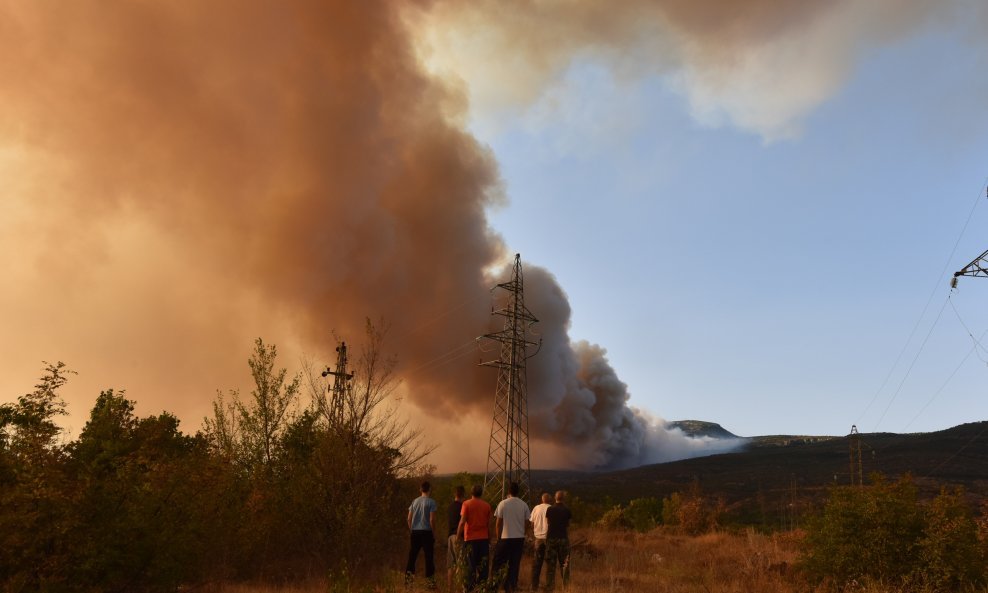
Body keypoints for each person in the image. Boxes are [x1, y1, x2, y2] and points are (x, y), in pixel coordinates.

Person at [491, 482, 531, 592]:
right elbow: (527, 521)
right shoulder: (523, 504)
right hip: (518, 539)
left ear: (508, 491)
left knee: (498, 563)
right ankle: (511, 586)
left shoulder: (503, 504)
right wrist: (523, 532)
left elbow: (498, 523)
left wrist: (498, 537)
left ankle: (495, 586)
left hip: (505, 538)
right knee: (514, 564)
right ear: (518, 492)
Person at [457, 484, 492, 591]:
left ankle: (469, 589)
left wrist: (458, 536)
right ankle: (482, 588)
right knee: (483, 567)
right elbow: (488, 524)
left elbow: (462, 522)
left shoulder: (466, 504)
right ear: (481, 493)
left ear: (471, 493)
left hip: (470, 539)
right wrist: (489, 538)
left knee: (470, 567)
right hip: (483, 539)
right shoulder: (487, 505)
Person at [406, 480, 438, 588]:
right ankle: (430, 584)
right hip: (426, 532)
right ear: (429, 489)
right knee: (429, 558)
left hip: (415, 532)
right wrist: (434, 533)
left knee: (412, 557)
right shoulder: (431, 502)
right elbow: (432, 519)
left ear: (420, 489)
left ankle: (408, 583)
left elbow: (409, 518)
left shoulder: (414, 502)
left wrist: (412, 530)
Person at [544, 490, 572, 592]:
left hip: (551, 538)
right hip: (563, 538)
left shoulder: (550, 509)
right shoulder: (567, 510)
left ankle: (550, 587)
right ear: (563, 498)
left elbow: (548, 522)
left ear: (555, 498)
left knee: (550, 565)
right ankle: (566, 587)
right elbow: (568, 525)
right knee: (564, 564)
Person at [529, 492, 552, 590]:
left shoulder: (536, 508)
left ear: (542, 499)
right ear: (549, 499)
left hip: (538, 538)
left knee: (537, 563)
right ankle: (548, 586)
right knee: (549, 563)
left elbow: (532, 523)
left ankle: (534, 586)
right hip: (548, 538)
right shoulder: (551, 508)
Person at [447, 485, 466, 592]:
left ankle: (450, 589)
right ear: (463, 494)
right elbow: (463, 523)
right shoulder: (464, 506)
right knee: (461, 564)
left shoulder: (449, 507)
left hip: (450, 537)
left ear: (455, 494)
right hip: (460, 537)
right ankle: (459, 589)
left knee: (450, 564)